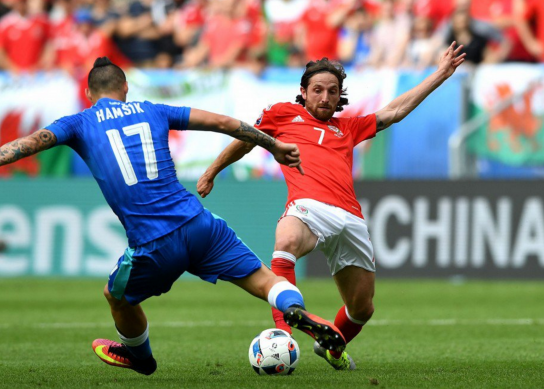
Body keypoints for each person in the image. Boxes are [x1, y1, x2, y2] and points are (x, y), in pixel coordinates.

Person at [0, 57, 346, 376]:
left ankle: (140, 357)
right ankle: (295, 310)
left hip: (153, 243)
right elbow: (226, 123)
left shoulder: (78, 122)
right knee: (264, 279)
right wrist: (272, 144)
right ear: (126, 89)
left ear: (89, 93)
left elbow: (31, 143)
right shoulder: (154, 110)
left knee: (116, 296)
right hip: (198, 223)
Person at [198, 42, 466, 371]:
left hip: (350, 218)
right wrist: (212, 171)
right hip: (308, 206)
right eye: (318, 90)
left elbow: (395, 111)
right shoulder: (282, 114)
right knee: (286, 243)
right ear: (304, 92)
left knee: (362, 308)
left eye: (333, 92)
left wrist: (440, 74)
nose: (325, 98)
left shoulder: (348, 127)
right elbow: (245, 139)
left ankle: (331, 346)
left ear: (340, 96)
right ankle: (283, 335)